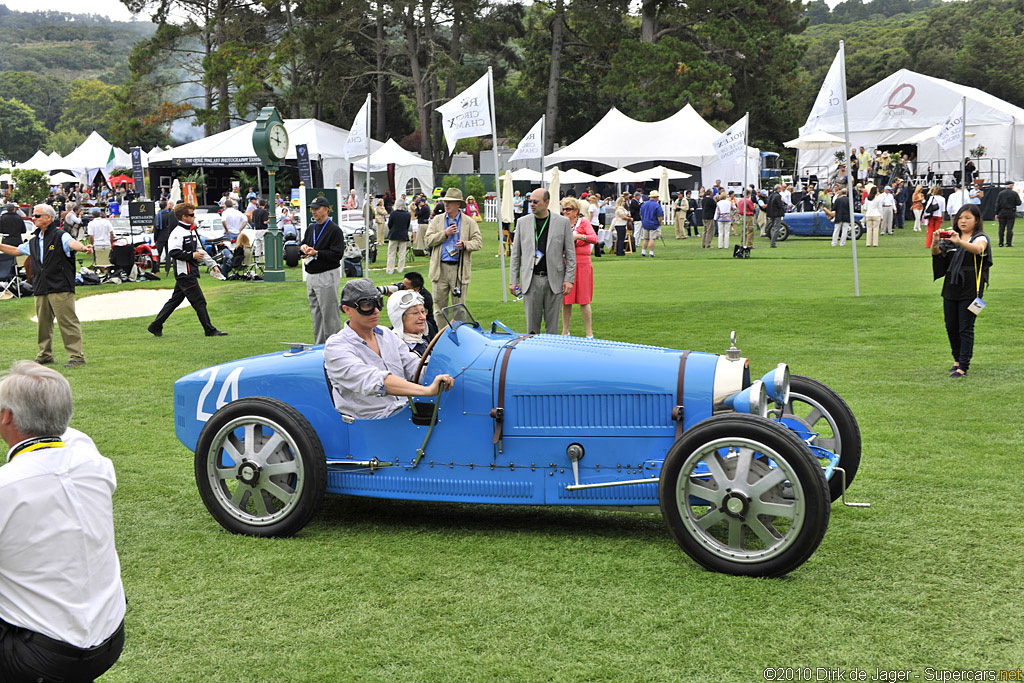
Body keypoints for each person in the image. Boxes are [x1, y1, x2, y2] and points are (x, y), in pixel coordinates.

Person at [0, 361, 127, 681]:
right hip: (110, 640)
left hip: (42, 658)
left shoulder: (7, 487)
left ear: (7, 417)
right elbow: (63, 431)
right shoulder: (91, 459)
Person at [323, 279, 453, 419]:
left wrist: (445, 369)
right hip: (374, 422)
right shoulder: (336, 346)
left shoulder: (386, 334)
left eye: (379, 303)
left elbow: (414, 366)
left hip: (405, 412)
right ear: (347, 309)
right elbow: (374, 381)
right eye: (367, 305)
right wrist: (425, 391)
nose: (376, 311)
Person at [0, 205, 93, 367]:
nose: (33, 218)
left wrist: (84, 247)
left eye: (36, 216)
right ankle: (45, 355)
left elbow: (72, 244)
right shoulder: (34, 241)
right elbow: (16, 250)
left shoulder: (60, 236)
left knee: (67, 322)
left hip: (60, 286)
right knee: (43, 324)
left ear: (48, 218)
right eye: (33, 216)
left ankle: (76, 357)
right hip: (41, 287)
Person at [147, 202, 228, 338]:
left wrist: (212, 264)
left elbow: (200, 250)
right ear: (184, 216)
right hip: (185, 273)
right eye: (191, 215)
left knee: (175, 301)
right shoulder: (177, 232)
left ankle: (156, 325)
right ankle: (209, 330)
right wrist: (192, 255)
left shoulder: (190, 230)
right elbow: (173, 252)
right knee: (199, 301)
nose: (194, 217)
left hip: (189, 272)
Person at [931, 205, 992, 378]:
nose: (963, 221)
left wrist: (959, 241)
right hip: (951, 286)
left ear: (977, 220)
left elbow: (979, 249)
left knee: (965, 328)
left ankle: (963, 367)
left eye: (967, 218)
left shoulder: (980, 237)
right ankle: (957, 360)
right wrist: (936, 240)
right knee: (951, 326)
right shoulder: (951, 237)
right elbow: (936, 253)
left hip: (971, 289)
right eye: (960, 218)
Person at [509, 188, 575, 334]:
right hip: (531, 281)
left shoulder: (562, 222)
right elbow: (515, 255)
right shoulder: (522, 222)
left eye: (535, 202)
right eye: (530, 201)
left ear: (546, 203)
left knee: (552, 330)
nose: (531, 204)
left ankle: (552, 356)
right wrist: (513, 280)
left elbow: (571, 255)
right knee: (532, 330)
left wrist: (569, 279)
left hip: (555, 281)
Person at [424, 188, 482, 330]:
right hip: (440, 269)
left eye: (450, 202)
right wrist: (444, 233)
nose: (446, 205)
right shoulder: (437, 220)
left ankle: (460, 338)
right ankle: (439, 339)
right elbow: (427, 240)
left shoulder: (469, 222)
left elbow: (478, 242)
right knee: (439, 308)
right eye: (445, 202)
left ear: (458, 204)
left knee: (459, 308)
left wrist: (466, 245)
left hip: (459, 270)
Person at [300, 196, 344, 344]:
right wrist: (303, 248)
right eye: (312, 209)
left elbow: (337, 254)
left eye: (316, 209)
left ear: (326, 210)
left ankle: (335, 346)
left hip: (326, 274)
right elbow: (304, 243)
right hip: (311, 275)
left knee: (329, 314)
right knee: (316, 314)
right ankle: (319, 346)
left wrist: (317, 253)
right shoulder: (311, 228)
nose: (313, 212)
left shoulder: (334, 230)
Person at [559, 198, 597, 338]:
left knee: (584, 299)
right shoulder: (562, 224)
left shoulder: (584, 223)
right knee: (566, 299)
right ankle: (565, 330)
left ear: (576, 211)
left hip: (583, 264)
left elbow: (594, 238)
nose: (565, 212)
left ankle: (589, 332)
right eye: (563, 209)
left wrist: (579, 236)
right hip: (566, 264)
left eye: (568, 209)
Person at [378, 271, 437, 340]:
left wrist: (396, 297)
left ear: (416, 289)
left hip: (425, 329)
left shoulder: (424, 297)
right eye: (403, 285)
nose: (402, 288)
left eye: (405, 287)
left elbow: (410, 306)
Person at [386, 288, 429, 356]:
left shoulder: (424, 341)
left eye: (423, 312)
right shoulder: (393, 348)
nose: (423, 317)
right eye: (415, 313)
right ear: (399, 318)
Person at [386, 199, 412, 274]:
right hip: (403, 234)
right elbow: (407, 225)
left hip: (394, 234)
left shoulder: (393, 213)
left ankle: (390, 270)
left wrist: (393, 229)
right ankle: (400, 269)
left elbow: (389, 224)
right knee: (402, 253)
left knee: (391, 253)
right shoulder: (407, 214)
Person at [637, 190, 663, 257]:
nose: (658, 198)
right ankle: (651, 253)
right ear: (654, 197)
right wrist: (660, 223)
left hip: (645, 223)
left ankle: (643, 252)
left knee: (645, 238)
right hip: (653, 224)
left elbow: (641, 215)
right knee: (652, 238)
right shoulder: (657, 205)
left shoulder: (644, 204)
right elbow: (660, 216)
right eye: (657, 197)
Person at [995, 181, 1020, 247]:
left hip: (1002, 212)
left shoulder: (1001, 193)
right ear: (1011, 186)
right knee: (1009, 229)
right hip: (1011, 211)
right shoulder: (1014, 193)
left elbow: (998, 204)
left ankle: (1001, 243)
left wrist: (996, 213)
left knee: (1001, 228)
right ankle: (1008, 243)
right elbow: (1018, 203)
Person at [154, 199, 174, 273]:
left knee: (158, 253)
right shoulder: (170, 215)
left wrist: (155, 238)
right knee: (168, 253)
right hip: (169, 236)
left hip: (160, 236)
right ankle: (167, 269)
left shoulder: (158, 215)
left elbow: (156, 228)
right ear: (166, 207)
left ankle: (157, 269)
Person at [766, 184, 786, 248]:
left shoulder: (771, 195)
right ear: (778, 189)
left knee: (774, 228)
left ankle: (772, 242)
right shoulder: (778, 196)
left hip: (771, 214)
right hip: (777, 214)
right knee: (776, 229)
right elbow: (779, 205)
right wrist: (782, 202)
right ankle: (773, 243)